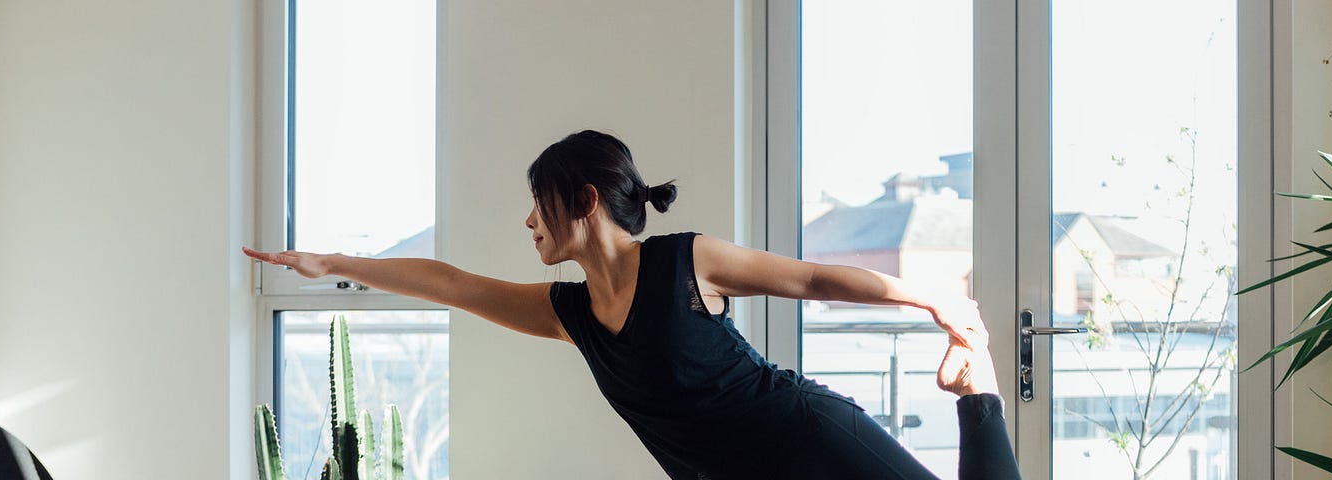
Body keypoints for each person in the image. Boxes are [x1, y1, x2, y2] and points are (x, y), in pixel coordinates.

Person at [243, 130, 1020, 480]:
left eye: (537, 204)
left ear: (583, 200)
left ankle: (977, 390)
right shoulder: (569, 314)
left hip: (811, 441)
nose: (527, 222)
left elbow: (811, 280)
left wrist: (931, 301)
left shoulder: (688, 261)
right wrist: (333, 263)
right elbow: (451, 283)